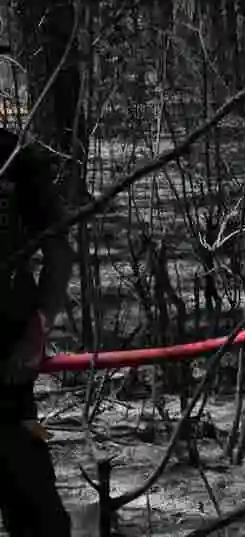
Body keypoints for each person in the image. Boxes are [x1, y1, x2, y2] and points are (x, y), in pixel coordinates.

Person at [0, 127, 75, 536]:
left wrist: (36, 333)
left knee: (38, 516)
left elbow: (59, 250)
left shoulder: (15, 157)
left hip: (7, 376)